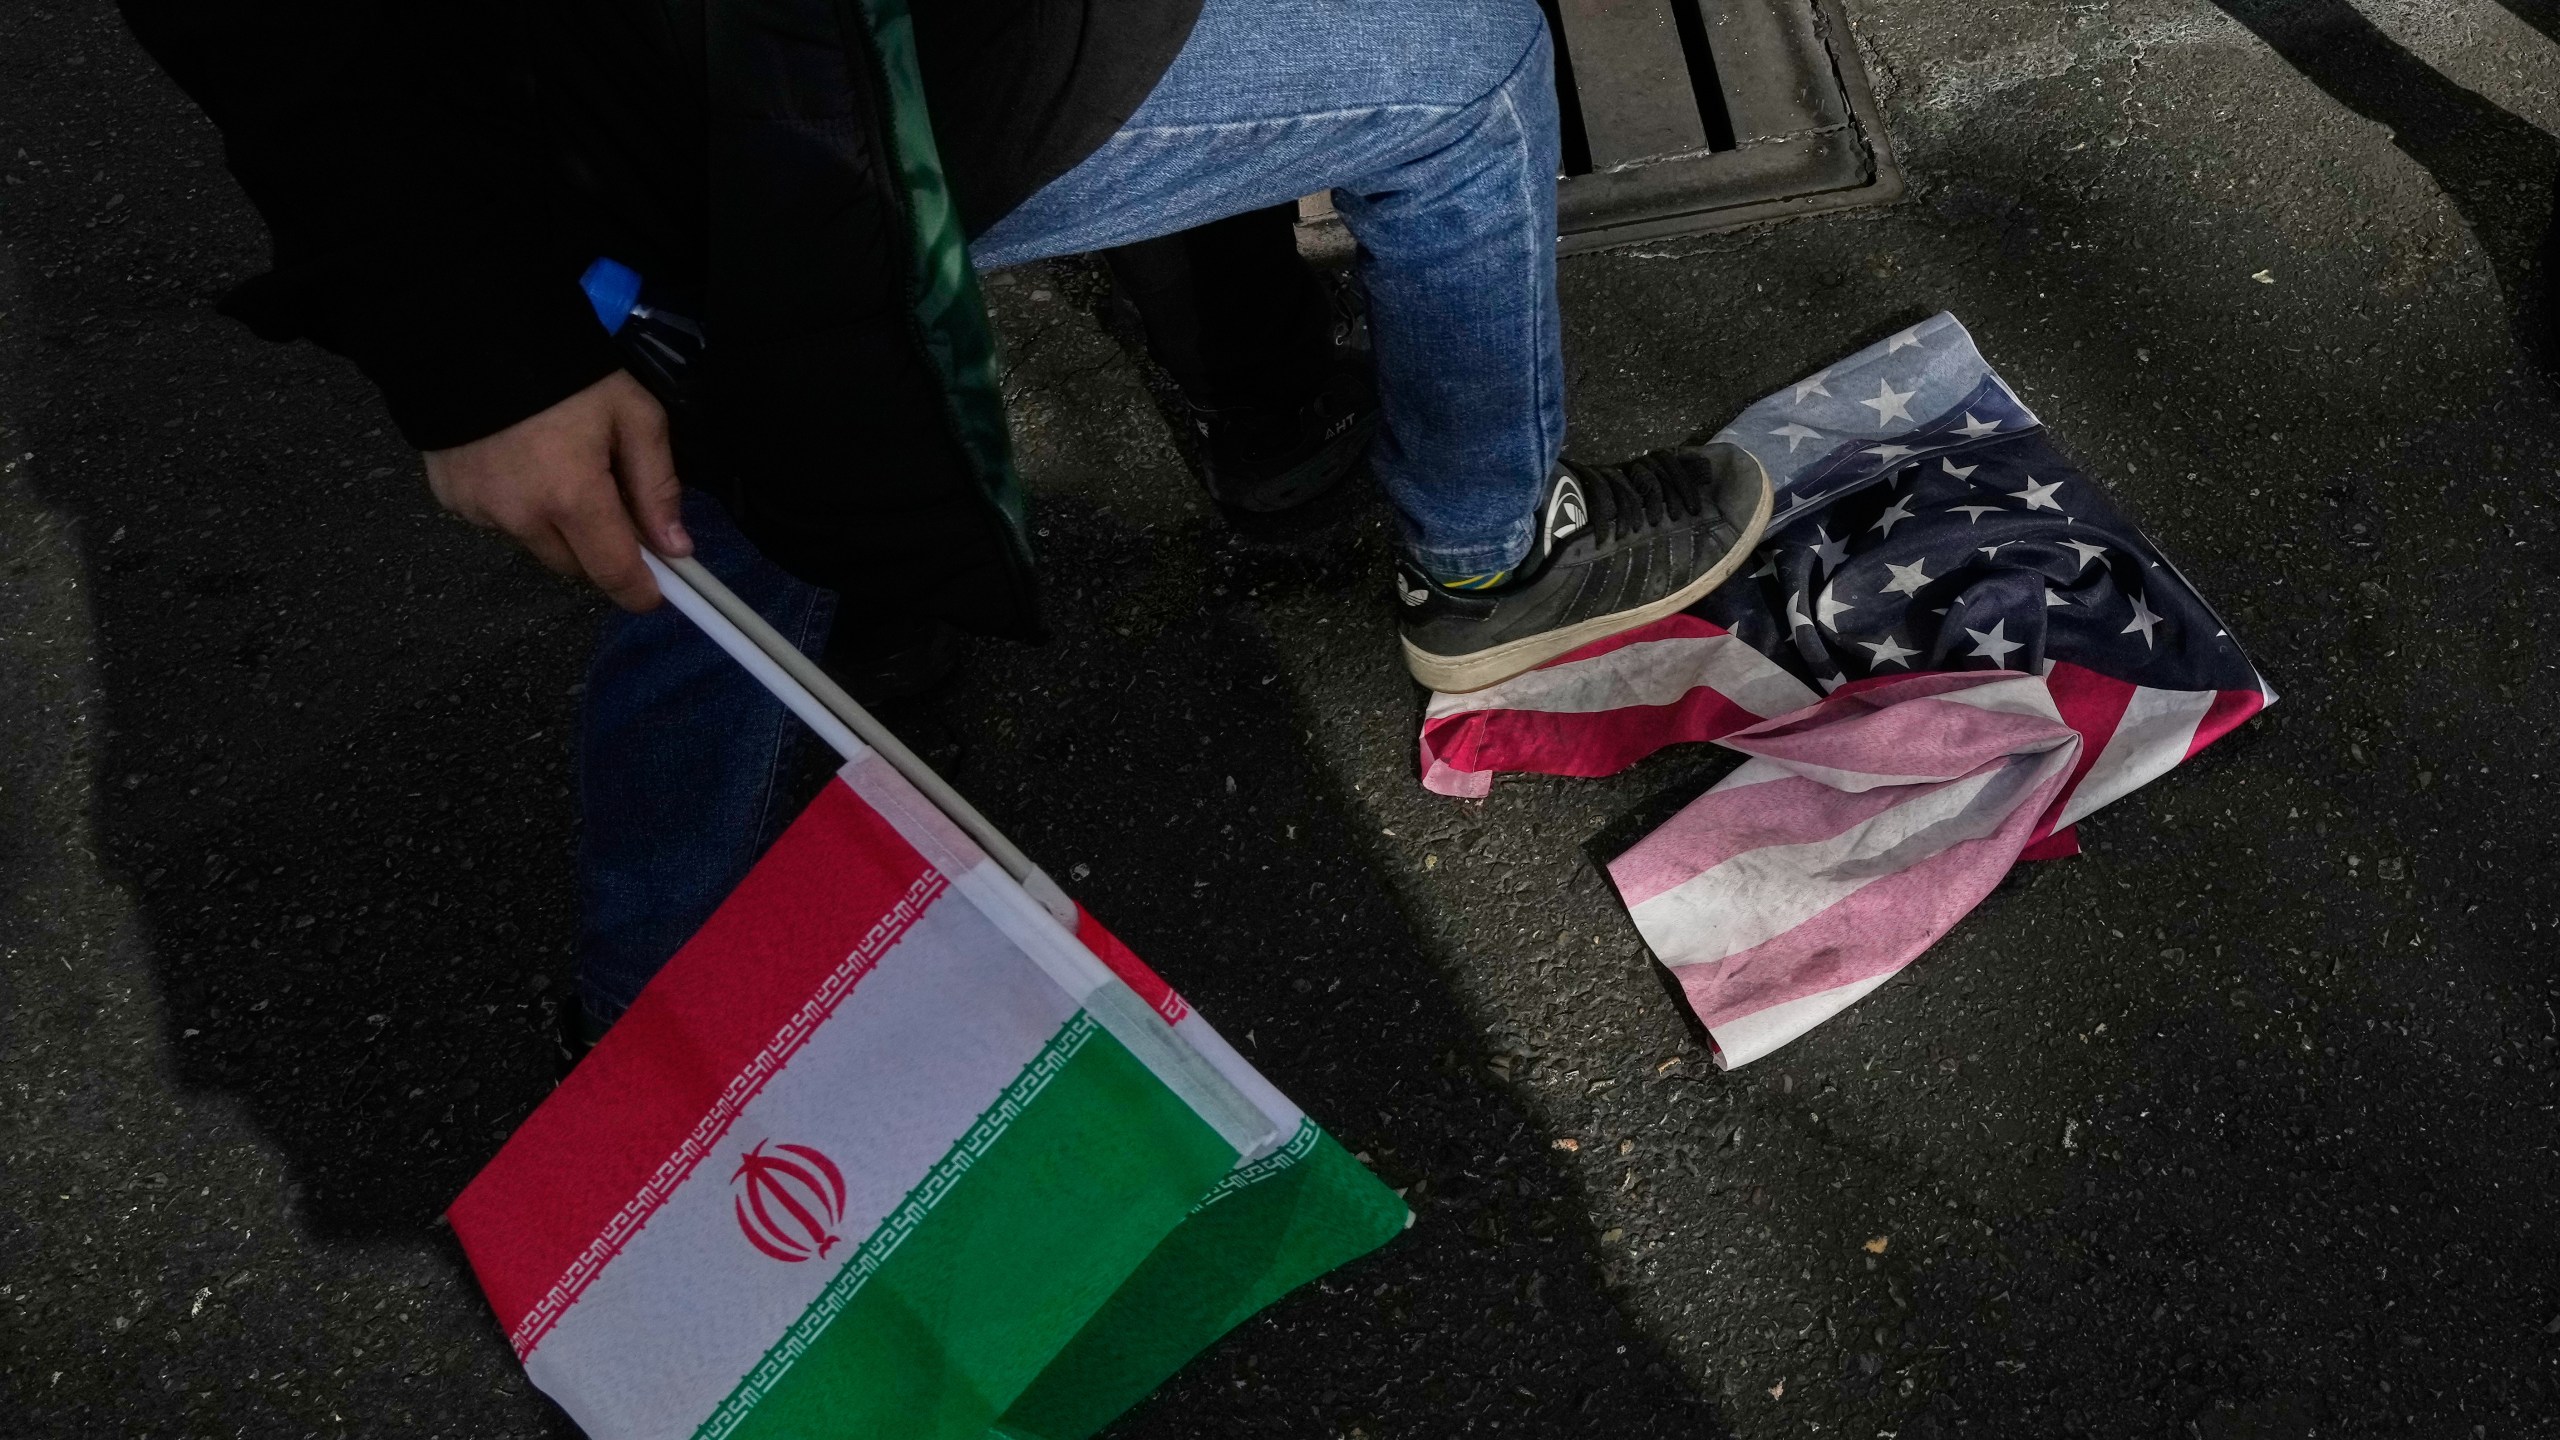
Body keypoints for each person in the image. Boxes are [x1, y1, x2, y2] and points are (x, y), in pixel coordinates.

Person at [118, 0, 1771, 1036]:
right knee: (1460, 54)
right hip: (770, 98)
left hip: (742, 101)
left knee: (738, 469)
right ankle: (1499, 562)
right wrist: (476, 353)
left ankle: (661, 1034)